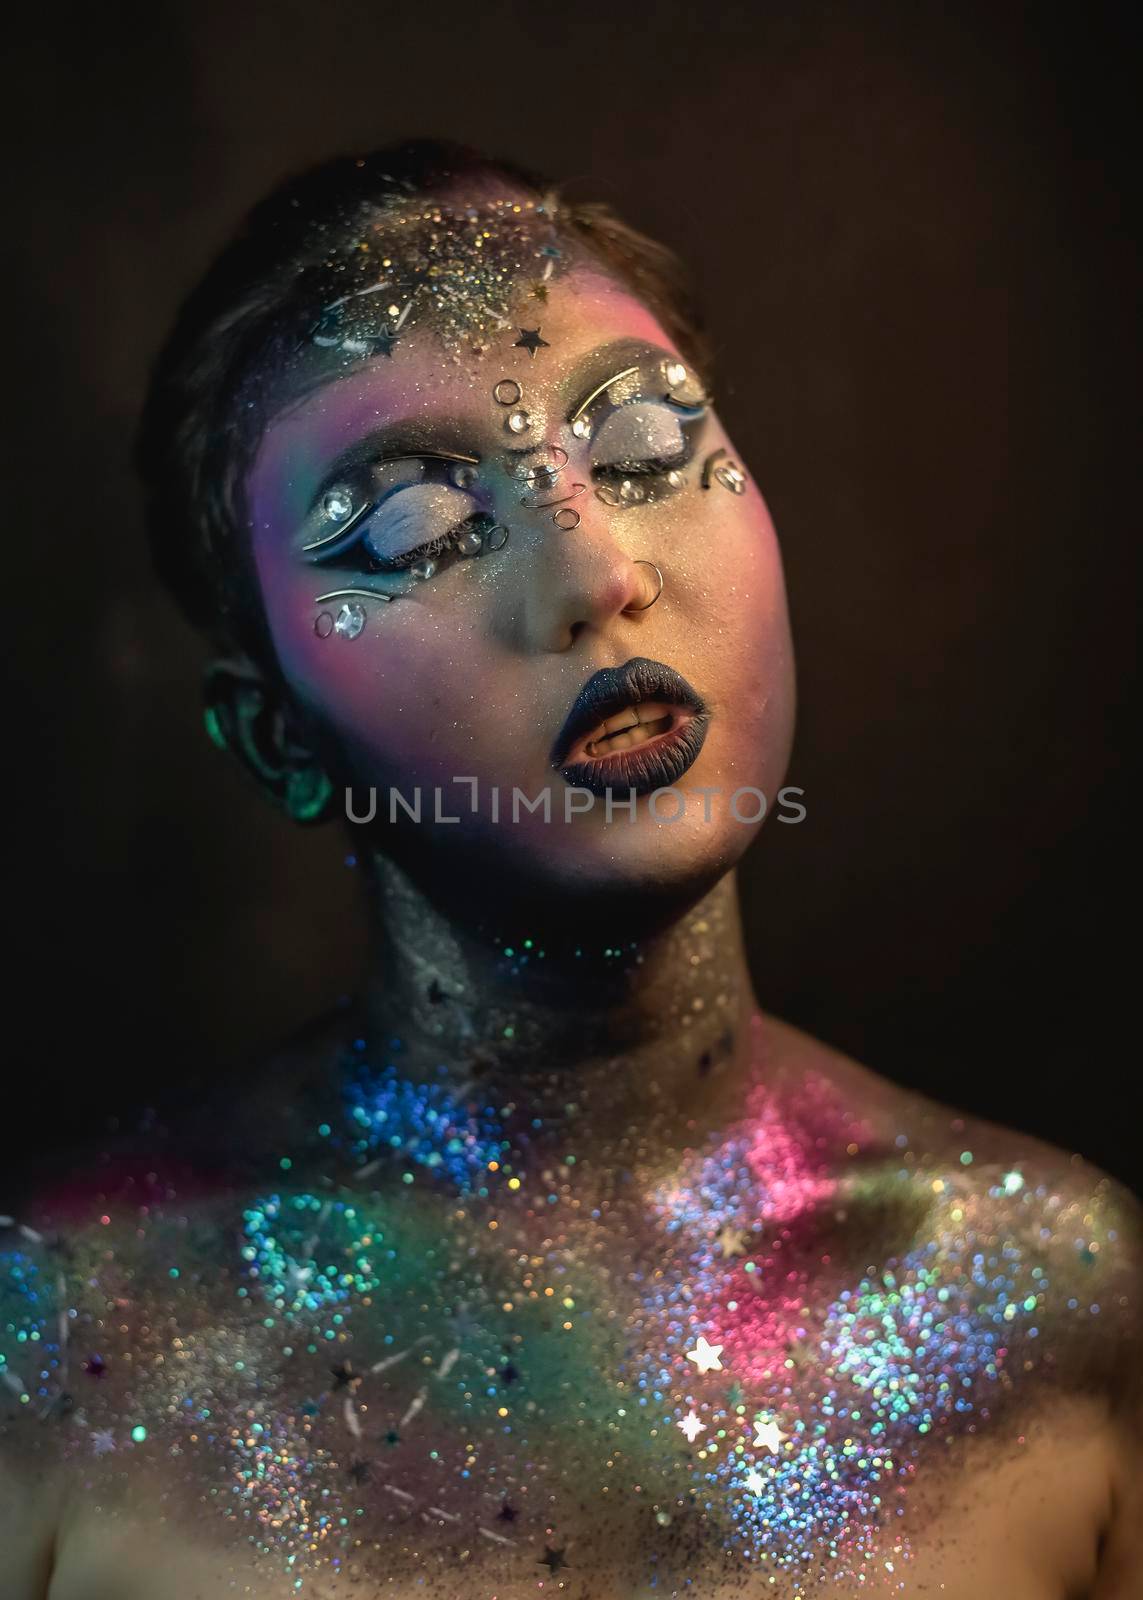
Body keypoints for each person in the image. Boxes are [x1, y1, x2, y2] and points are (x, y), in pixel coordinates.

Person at [1, 139, 1139, 1600]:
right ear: (279, 733)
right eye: (419, 527)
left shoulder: (1058, 1301)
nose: (596, 573)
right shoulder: (61, 1340)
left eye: (650, 454)